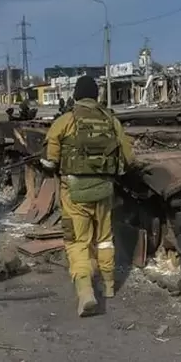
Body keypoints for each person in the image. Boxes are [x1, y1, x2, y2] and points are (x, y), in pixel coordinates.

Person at [41, 75, 135, 317]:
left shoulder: (66, 120)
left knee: (78, 242)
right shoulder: (111, 120)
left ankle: (85, 292)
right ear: (96, 96)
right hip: (104, 190)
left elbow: (51, 160)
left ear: (75, 95)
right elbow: (129, 158)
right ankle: (110, 286)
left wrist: (53, 162)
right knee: (104, 238)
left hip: (74, 192)